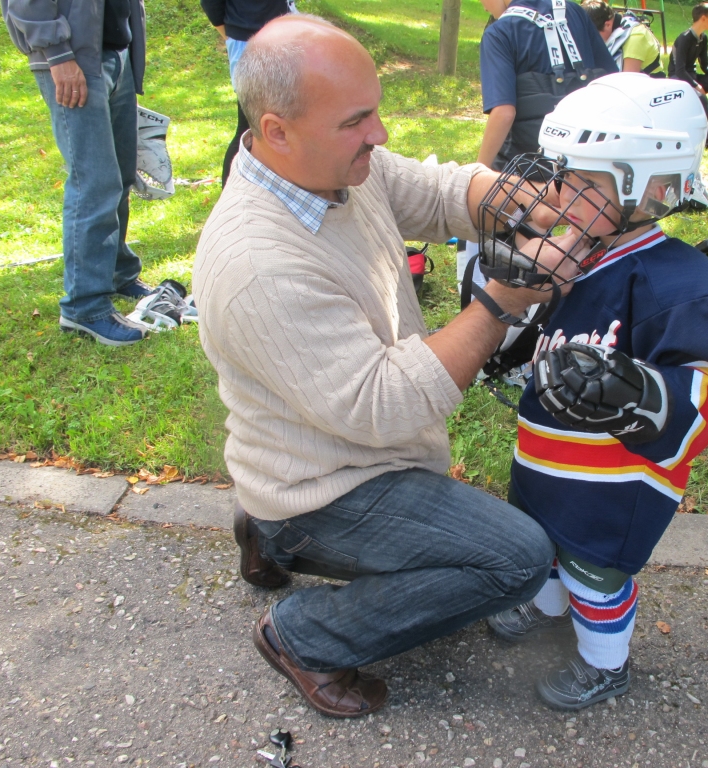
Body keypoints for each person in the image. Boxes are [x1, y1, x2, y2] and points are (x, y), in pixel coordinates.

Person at [193, 15, 586, 719]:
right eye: (357, 121)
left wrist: (515, 200)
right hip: (334, 482)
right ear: (277, 129)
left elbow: (433, 192)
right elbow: (386, 407)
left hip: (320, 451)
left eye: (375, 112)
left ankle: (263, 522)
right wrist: (500, 303)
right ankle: (304, 634)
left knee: (470, 534)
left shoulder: (332, 166)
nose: (377, 133)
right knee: (516, 559)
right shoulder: (258, 265)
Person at [480, 73, 708, 710]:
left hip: (613, 482)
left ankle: (606, 663)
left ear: (647, 185)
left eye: (579, 179)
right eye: (558, 174)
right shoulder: (572, 255)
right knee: (538, 542)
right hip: (544, 456)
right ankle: (542, 605)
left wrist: (644, 393)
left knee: (592, 571)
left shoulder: (685, 286)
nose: (554, 192)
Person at [2, 0, 153, 346]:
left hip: (115, 49)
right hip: (72, 59)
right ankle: (84, 306)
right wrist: (57, 55)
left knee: (120, 175)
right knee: (94, 181)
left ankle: (117, 272)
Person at [477, 0, 616, 170]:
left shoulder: (499, 33)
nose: (482, 6)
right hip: (588, 160)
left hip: (530, 167)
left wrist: (478, 170)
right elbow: (612, 79)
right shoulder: (574, 11)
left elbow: (504, 113)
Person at [200, 0, 294, 184]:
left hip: (282, 33)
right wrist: (232, 32)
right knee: (250, 127)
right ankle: (230, 192)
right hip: (249, 38)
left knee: (281, 121)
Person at [582, 0, 666, 77]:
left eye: (593, 35)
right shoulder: (613, 28)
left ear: (608, 25)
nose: (590, 40)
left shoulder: (636, 36)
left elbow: (627, 81)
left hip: (648, 88)